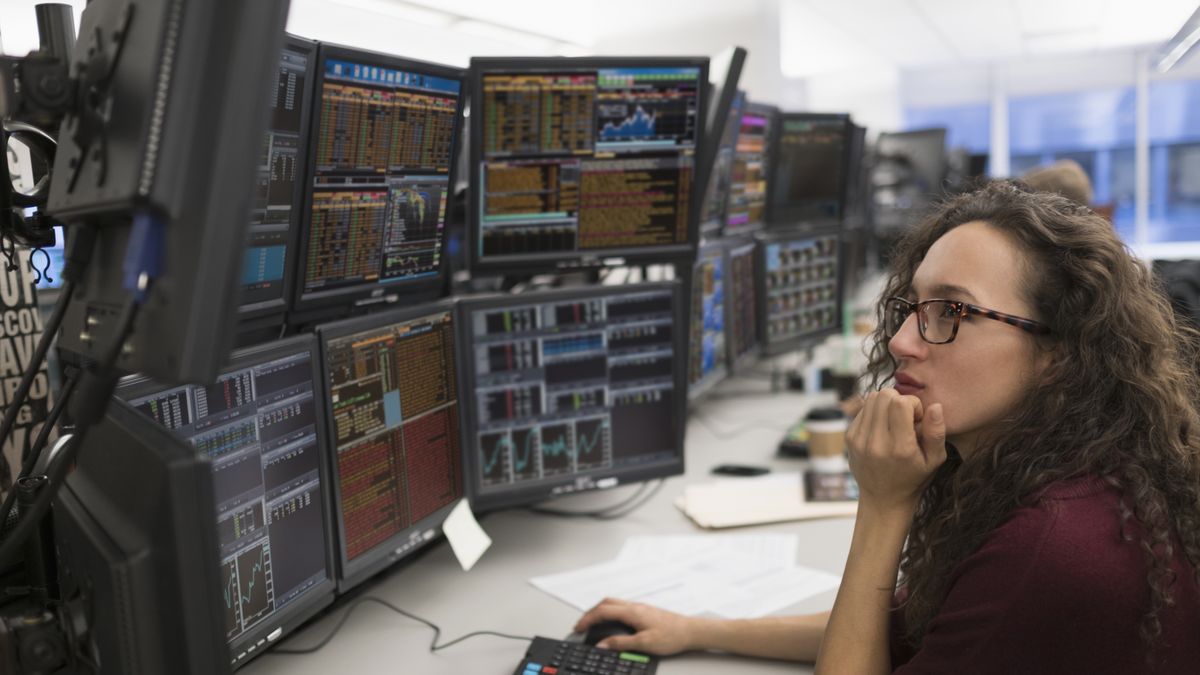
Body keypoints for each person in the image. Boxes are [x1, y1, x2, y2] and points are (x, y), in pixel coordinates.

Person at [575, 181, 1200, 673]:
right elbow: (903, 626)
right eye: (911, 307)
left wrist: (881, 504)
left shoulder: (1052, 544)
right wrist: (698, 630)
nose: (901, 341)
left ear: (1059, 352)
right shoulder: (1040, 470)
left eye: (950, 311)